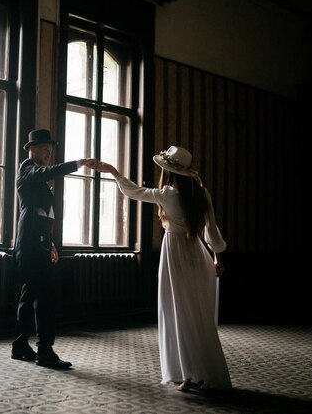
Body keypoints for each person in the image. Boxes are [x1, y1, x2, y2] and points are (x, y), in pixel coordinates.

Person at [95, 146, 231, 391]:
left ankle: (189, 373)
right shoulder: (202, 194)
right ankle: (199, 370)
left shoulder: (167, 194)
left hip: (175, 254)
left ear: (169, 172)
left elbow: (134, 191)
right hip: (197, 253)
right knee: (197, 315)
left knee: (177, 312)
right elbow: (212, 230)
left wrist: (113, 172)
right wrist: (217, 258)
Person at [11, 128, 97, 369]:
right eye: (45, 148)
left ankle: (19, 346)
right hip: (31, 244)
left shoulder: (33, 174)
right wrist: (79, 163)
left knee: (30, 296)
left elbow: (43, 215)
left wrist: (51, 244)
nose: (49, 152)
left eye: (51, 148)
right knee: (45, 298)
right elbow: (47, 173)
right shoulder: (28, 169)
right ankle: (45, 352)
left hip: (36, 243)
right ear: (32, 149)